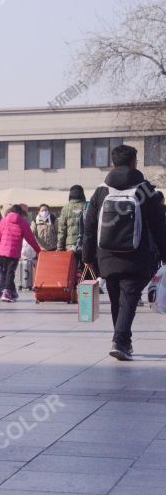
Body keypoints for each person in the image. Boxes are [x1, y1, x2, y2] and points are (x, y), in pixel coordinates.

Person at [82, 145, 166, 361]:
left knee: (117, 298)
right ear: (134, 162)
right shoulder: (145, 188)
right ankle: (120, 340)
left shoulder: (101, 190)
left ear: (113, 163)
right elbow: (158, 223)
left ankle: (122, 340)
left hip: (107, 255)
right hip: (137, 255)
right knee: (129, 298)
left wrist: (88, 257)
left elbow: (89, 224)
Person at [0, 205, 42, 302]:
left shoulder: (3, 221)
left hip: (1, 254)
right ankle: (6, 293)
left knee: (4, 275)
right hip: (13, 255)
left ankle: (11, 293)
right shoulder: (23, 223)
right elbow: (31, 239)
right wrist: (39, 251)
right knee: (9, 274)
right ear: (20, 213)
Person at [57, 185, 86, 254]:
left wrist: (59, 249)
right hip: (84, 245)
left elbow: (61, 230)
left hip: (70, 247)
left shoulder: (66, 208)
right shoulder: (86, 206)